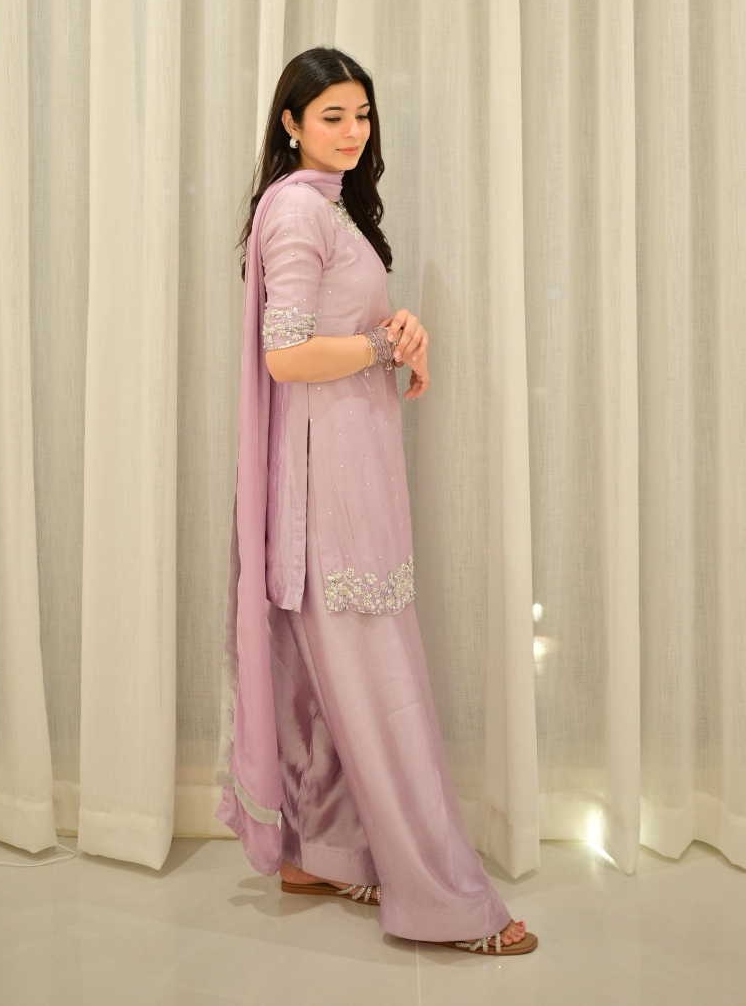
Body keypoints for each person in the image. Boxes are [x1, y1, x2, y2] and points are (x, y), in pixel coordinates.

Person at [215, 47, 535, 956]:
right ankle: (445, 900)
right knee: (383, 690)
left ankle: (319, 852)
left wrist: (399, 327)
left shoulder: (330, 206)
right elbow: (288, 356)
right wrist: (383, 349)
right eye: (333, 116)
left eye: (362, 114)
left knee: (339, 685)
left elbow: (338, 328)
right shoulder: (296, 211)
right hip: (331, 491)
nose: (354, 131)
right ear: (290, 123)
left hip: (351, 471)